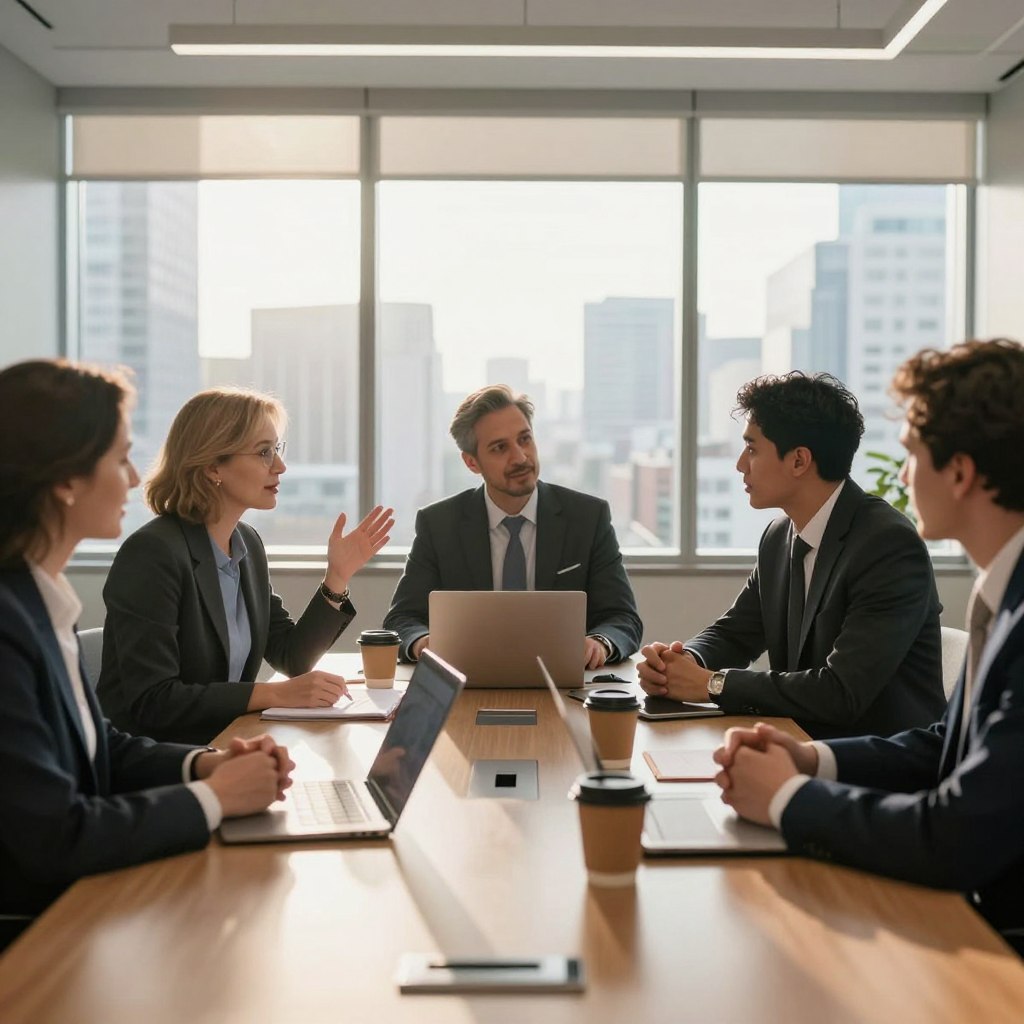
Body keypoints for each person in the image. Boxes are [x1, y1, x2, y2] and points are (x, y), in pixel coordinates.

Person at [713, 338, 1024, 951]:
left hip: (992, 933)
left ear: (960, 472)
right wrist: (812, 762)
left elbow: (954, 837)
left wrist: (788, 798)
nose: (902, 474)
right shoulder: (1004, 596)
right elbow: (945, 746)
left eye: (911, 453)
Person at [0, 360, 293, 951]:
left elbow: (101, 749)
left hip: (76, 905)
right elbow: (55, 837)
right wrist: (215, 798)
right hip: (38, 934)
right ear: (66, 480)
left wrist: (205, 765)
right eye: (119, 458)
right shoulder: (8, 626)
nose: (135, 480)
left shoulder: (40, 603)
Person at [638, 371, 944, 739]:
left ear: (799, 461)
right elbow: (737, 633)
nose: (740, 464)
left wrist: (712, 684)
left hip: (879, 765)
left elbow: (841, 692)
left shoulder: (887, 545)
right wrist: (684, 661)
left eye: (752, 449)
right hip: (802, 743)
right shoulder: (779, 535)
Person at [97, 388, 393, 744]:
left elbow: (291, 657)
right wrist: (275, 694)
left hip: (223, 744)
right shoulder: (153, 553)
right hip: (155, 763)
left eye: (276, 450)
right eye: (264, 452)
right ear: (211, 466)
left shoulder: (246, 543)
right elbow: (154, 702)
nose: (280, 467)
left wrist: (338, 576)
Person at [384, 384, 642, 669]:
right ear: (472, 462)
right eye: (499, 448)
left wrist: (600, 643)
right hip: (467, 683)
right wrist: (423, 642)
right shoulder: (439, 525)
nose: (520, 457)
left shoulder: (588, 518)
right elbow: (402, 619)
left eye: (525, 439)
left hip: (565, 683)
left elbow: (622, 618)